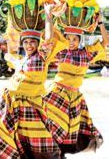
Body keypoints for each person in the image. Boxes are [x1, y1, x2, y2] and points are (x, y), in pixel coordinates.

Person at [0, 1, 67, 158]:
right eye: (25, 42)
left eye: (32, 42)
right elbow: (12, 59)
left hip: (32, 104)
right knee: (3, 133)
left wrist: (48, 15)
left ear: (38, 44)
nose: (29, 45)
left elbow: (49, 37)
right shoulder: (23, 60)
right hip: (12, 102)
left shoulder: (41, 55)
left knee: (38, 139)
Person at [44, 12, 108, 156]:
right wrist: (51, 16)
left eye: (74, 39)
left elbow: (106, 41)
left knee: (68, 131)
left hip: (74, 97)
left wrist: (100, 23)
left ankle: (59, 154)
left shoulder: (87, 53)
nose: (71, 41)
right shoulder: (61, 52)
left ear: (80, 40)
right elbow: (50, 37)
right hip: (57, 93)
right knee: (51, 125)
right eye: (68, 38)